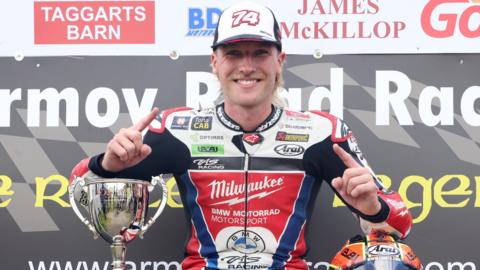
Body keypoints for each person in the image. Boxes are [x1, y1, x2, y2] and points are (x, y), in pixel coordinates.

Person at [70, 2, 412, 269]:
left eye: (260, 52)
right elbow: (80, 190)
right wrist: (107, 165)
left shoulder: (322, 132)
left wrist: (371, 206)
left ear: (280, 60)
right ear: (214, 63)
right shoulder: (178, 129)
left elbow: (400, 225)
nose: (246, 66)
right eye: (233, 53)